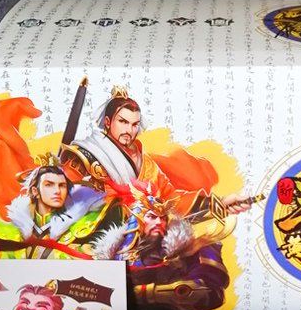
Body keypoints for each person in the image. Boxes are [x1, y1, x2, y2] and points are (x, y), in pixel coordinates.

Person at [61, 87, 252, 216]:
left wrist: (220, 203)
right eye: (123, 122)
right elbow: (59, 196)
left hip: (139, 242)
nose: (129, 130)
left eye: (134, 124)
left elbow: (173, 199)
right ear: (108, 122)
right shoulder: (86, 155)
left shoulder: (147, 165)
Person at [92, 181, 231, 310]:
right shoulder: (111, 256)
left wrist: (143, 293)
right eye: (152, 217)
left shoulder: (188, 250)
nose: (159, 223)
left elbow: (210, 291)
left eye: (163, 218)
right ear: (137, 219)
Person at [0, 157, 121, 259]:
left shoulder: (82, 223)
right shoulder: (14, 227)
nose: (57, 191)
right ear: (35, 191)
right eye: (49, 185)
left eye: (62, 186)